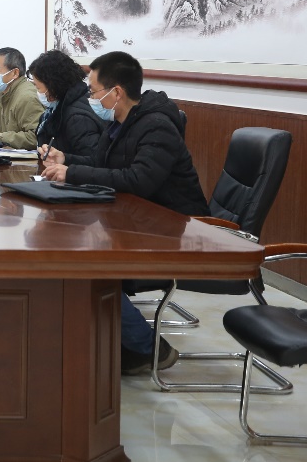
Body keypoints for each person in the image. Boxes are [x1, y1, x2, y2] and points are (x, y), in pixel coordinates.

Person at [39, 50, 208, 376]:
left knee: (85, 262)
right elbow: (102, 164)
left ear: (116, 92)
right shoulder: (121, 123)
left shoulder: (157, 126)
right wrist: (66, 160)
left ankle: (149, 349)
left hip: (177, 229)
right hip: (139, 220)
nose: (90, 98)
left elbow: (139, 180)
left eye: (93, 91)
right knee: (71, 249)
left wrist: (72, 173)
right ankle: (110, 339)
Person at [27, 49, 104, 160]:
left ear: (53, 86)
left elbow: (95, 160)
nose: (37, 92)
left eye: (38, 87)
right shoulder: (57, 107)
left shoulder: (77, 118)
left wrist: (64, 159)